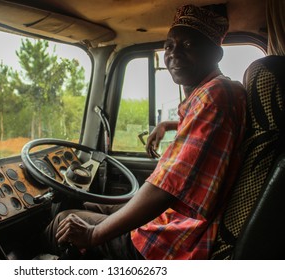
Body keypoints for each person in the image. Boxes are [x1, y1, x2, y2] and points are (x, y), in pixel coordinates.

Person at [43, 4, 247, 260]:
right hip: (177, 223)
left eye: (188, 45)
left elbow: (167, 189)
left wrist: (93, 234)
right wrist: (168, 125)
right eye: (170, 46)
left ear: (216, 54)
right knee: (87, 205)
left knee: (64, 219)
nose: (174, 54)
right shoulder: (225, 91)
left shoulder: (213, 96)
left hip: (173, 240)